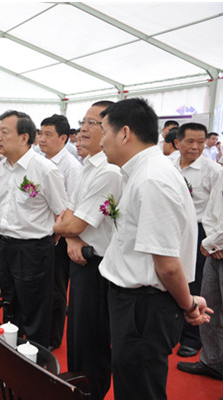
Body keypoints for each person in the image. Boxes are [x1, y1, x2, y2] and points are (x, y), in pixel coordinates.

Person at [98, 98, 212, 400]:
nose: (101, 141)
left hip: (143, 307)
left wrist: (188, 305)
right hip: (137, 304)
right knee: (131, 381)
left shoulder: (151, 179)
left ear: (124, 133)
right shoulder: (144, 171)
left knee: (139, 388)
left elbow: (168, 265)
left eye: (104, 132)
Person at [53, 100, 121, 400]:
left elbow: (71, 222)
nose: (82, 129)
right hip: (80, 257)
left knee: (92, 341)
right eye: (83, 122)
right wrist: (70, 238)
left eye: (92, 123)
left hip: (99, 266)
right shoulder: (88, 165)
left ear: (110, 129)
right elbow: (69, 214)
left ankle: (91, 393)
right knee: (78, 337)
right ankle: (78, 390)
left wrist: (60, 230)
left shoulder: (109, 171)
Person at [0, 110, 67, 347]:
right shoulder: (1, 167)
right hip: (5, 245)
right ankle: (11, 350)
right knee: (9, 302)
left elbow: (61, 212)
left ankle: (36, 357)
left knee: (35, 308)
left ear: (24, 137)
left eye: (4, 132)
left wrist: (46, 243)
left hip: (33, 249)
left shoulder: (45, 169)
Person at [173, 122, 221, 358]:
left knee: (195, 283)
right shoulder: (170, 166)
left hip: (201, 232)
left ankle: (192, 338)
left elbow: (216, 210)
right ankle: (174, 330)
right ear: (177, 143)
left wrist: (212, 241)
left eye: (201, 142)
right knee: (173, 280)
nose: (196, 147)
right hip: (174, 228)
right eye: (190, 141)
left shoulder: (213, 171)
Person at [38, 114, 80, 350]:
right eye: (40, 133)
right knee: (42, 284)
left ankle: (52, 338)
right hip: (43, 234)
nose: (42, 139)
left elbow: (71, 207)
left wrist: (59, 233)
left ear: (63, 138)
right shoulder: (40, 160)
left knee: (56, 287)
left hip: (60, 237)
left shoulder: (70, 166)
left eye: (48, 134)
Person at [177, 171, 223, 381]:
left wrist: (212, 242)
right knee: (212, 305)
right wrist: (213, 241)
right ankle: (212, 361)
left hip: (214, 245)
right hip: (215, 249)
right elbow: (210, 212)